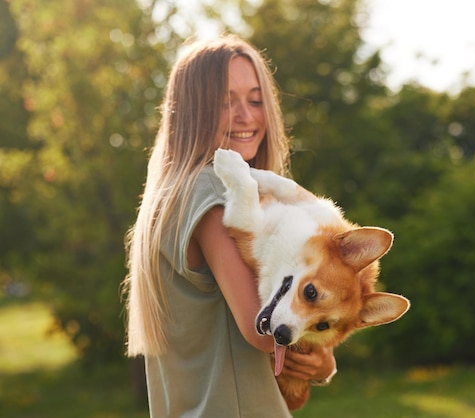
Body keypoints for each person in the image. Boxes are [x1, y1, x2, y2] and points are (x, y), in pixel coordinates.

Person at [122, 34, 336, 417]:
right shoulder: (214, 187)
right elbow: (263, 325)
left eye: (255, 100)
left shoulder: (172, 194)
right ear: (190, 113)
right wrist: (325, 356)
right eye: (224, 102)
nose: (246, 115)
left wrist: (318, 367)